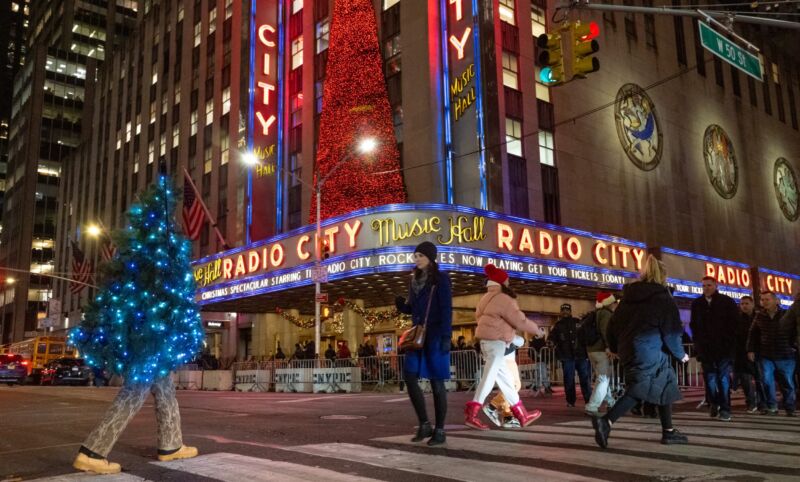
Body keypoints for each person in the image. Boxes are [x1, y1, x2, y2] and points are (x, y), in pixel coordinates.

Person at [591, 255, 690, 448]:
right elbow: (671, 330)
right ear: (663, 276)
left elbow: (612, 325)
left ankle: (668, 431)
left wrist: (614, 347)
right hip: (652, 350)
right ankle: (606, 422)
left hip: (630, 350)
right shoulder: (663, 298)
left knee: (663, 385)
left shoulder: (627, 300)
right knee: (640, 389)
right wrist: (680, 354)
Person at [464, 264, 543, 430]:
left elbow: (482, 319)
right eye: (506, 279)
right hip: (497, 343)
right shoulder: (504, 299)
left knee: (507, 382)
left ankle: (522, 415)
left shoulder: (484, 298)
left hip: (487, 342)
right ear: (501, 282)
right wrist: (538, 331)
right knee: (487, 380)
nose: (508, 282)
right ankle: (472, 415)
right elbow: (519, 320)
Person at [395, 241, 453, 446]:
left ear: (430, 257)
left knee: (437, 382)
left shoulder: (441, 279)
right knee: (409, 376)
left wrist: (447, 336)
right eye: (415, 255)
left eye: (420, 255)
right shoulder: (414, 280)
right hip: (417, 337)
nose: (416, 258)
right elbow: (414, 309)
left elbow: (446, 308)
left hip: (436, 334)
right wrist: (403, 307)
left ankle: (440, 430)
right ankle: (424, 423)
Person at [690, 276, 739, 421]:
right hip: (706, 349)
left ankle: (725, 408)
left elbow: (735, 323)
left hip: (723, 347)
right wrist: (698, 343)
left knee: (723, 378)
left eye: (709, 285)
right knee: (710, 379)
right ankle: (714, 402)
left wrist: (730, 343)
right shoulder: (697, 303)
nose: (706, 288)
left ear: (715, 286)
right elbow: (694, 325)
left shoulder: (726, 302)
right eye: (704, 285)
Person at [747, 291, 796, 416]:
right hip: (766, 354)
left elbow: (794, 330)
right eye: (762, 300)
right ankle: (772, 406)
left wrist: (794, 345)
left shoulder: (786, 314)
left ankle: (790, 407)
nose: (764, 302)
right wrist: (750, 349)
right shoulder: (759, 316)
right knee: (767, 381)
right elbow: (753, 334)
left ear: (775, 301)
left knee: (787, 382)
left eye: (767, 299)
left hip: (785, 354)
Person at [548, 303, 592, 408]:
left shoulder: (578, 322)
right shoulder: (558, 325)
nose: (565, 312)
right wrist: (550, 342)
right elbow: (552, 337)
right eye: (563, 310)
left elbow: (585, 336)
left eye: (567, 310)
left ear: (570, 311)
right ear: (560, 312)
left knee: (585, 379)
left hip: (580, 355)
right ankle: (570, 401)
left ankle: (588, 400)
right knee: (568, 379)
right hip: (566, 356)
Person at [584, 292, 619, 415]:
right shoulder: (606, 314)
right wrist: (609, 347)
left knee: (603, 378)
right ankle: (592, 406)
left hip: (592, 350)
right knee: (603, 378)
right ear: (609, 303)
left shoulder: (596, 313)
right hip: (601, 350)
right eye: (614, 302)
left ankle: (610, 402)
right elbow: (606, 332)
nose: (616, 304)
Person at [734, 296, 760, 413]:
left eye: (746, 303)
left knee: (760, 379)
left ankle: (761, 402)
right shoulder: (737, 319)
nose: (744, 306)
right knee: (745, 381)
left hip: (757, 352)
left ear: (752, 304)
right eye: (742, 304)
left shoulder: (759, 317)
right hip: (741, 354)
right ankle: (751, 402)